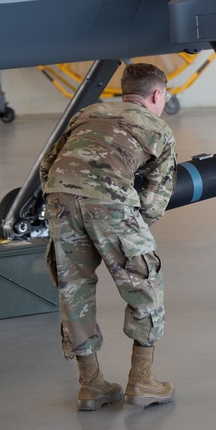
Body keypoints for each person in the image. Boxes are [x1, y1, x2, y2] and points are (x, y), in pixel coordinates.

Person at [40, 63, 176, 410]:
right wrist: (131, 232)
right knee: (145, 285)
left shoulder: (89, 112)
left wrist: (67, 200)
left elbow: (48, 163)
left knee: (74, 290)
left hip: (59, 196)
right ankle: (142, 382)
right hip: (111, 202)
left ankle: (91, 387)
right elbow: (156, 201)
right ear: (158, 95)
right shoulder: (158, 128)